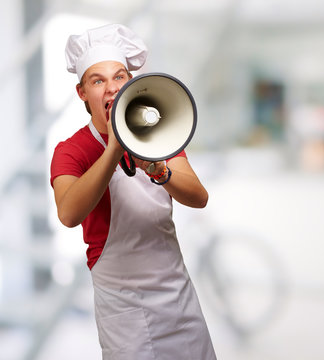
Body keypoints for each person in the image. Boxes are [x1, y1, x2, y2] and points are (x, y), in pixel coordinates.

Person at [50, 23, 217, 359]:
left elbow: (199, 197)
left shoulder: (158, 134)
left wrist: (162, 171)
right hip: (124, 309)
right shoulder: (71, 151)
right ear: (82, 92)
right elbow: (69, 214)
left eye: (119, 76)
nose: (111, 88)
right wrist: (114, 148)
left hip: (178, 298)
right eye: (98, 80)